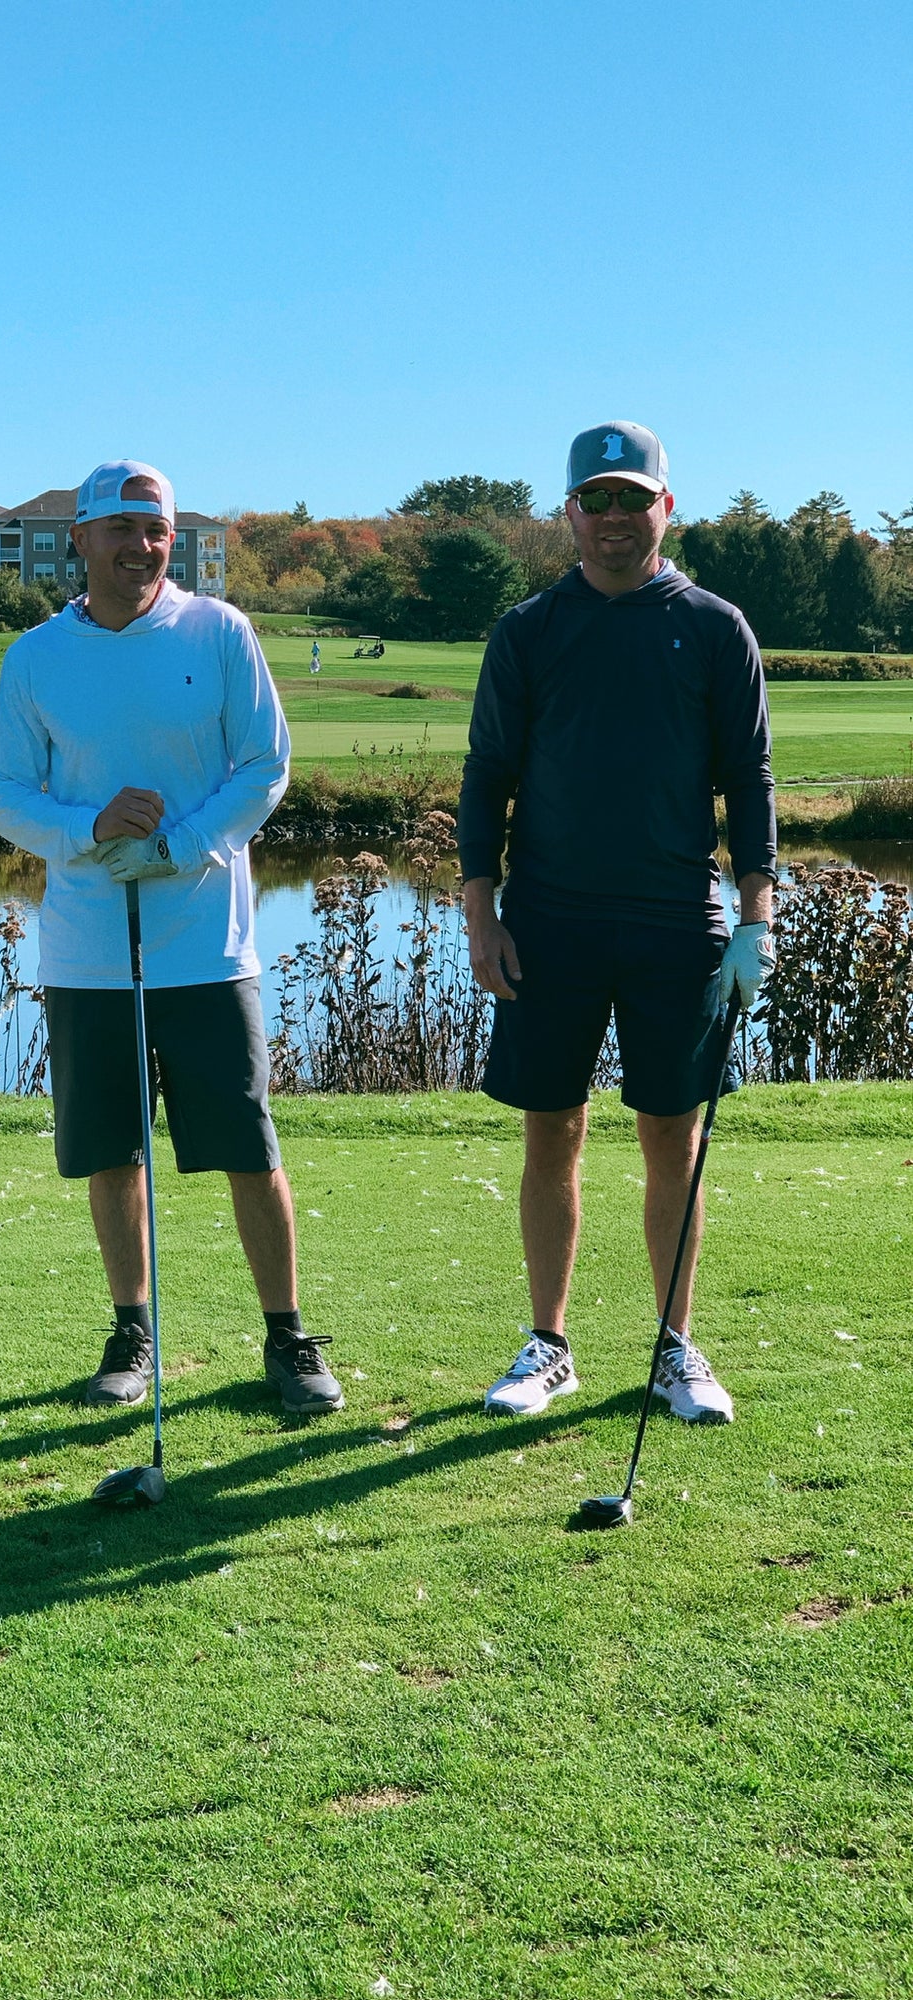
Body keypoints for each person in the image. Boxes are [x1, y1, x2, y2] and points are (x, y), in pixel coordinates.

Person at [0, 459, 344, 1415]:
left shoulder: (220, 632)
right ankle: (132, 1332)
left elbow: (265, 765)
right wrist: (90, 830)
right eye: (121, 528)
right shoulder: (36, 657)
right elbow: (2, 791)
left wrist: (182, 843)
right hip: (90, 951)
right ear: (80, 540)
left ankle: (288, 1337)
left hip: (205, 945)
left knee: (248, 1147)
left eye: (156, 528)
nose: (141, 545)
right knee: (113, 1150)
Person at [458, 422, 776, 1425]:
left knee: (670, 1136)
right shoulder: (528, 631)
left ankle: (675, 1347)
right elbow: (487, 779)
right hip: (549, 919)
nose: (613, 518)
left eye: (632, 498)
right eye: (594, 500)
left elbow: (751, 782)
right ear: (569, 514)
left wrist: (757, 919)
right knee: (552, 1130)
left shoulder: (715, 626)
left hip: (677, 919)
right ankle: (548, 1344)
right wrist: (481, 911)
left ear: (665, 509)